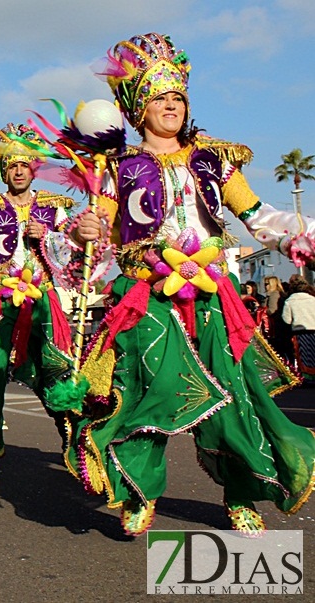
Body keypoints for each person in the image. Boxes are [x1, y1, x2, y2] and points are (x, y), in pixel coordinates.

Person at [68, 33, 315, 537]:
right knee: (146, 393)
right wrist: (84, 231)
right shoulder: (118, 168)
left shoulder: (214, 159)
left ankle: (242, 494)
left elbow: (256, 215)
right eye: (159, 97)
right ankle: (140, 492)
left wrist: (300, 236)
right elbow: (98, 234)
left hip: (212, 295)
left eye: (177, 96)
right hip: (147, 296)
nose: (171, 105)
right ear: (139, 108)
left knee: (233, 395)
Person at [0, 124, 79, 472]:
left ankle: (70, 436)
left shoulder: (54, 206)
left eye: (24, 164)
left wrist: (49, 236)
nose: (18, 170)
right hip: (3, 300)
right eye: (12, 165)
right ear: (3, 170)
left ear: (34, 169)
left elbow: (70, 256)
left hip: (44, 301)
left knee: (55, 370)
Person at [283, 274, 315, 376]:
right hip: (313, 330)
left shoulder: (289, 301)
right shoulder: (313, 299)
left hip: (299, 332)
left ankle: (307, 376)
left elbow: (286, 319)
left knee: (303, 356)